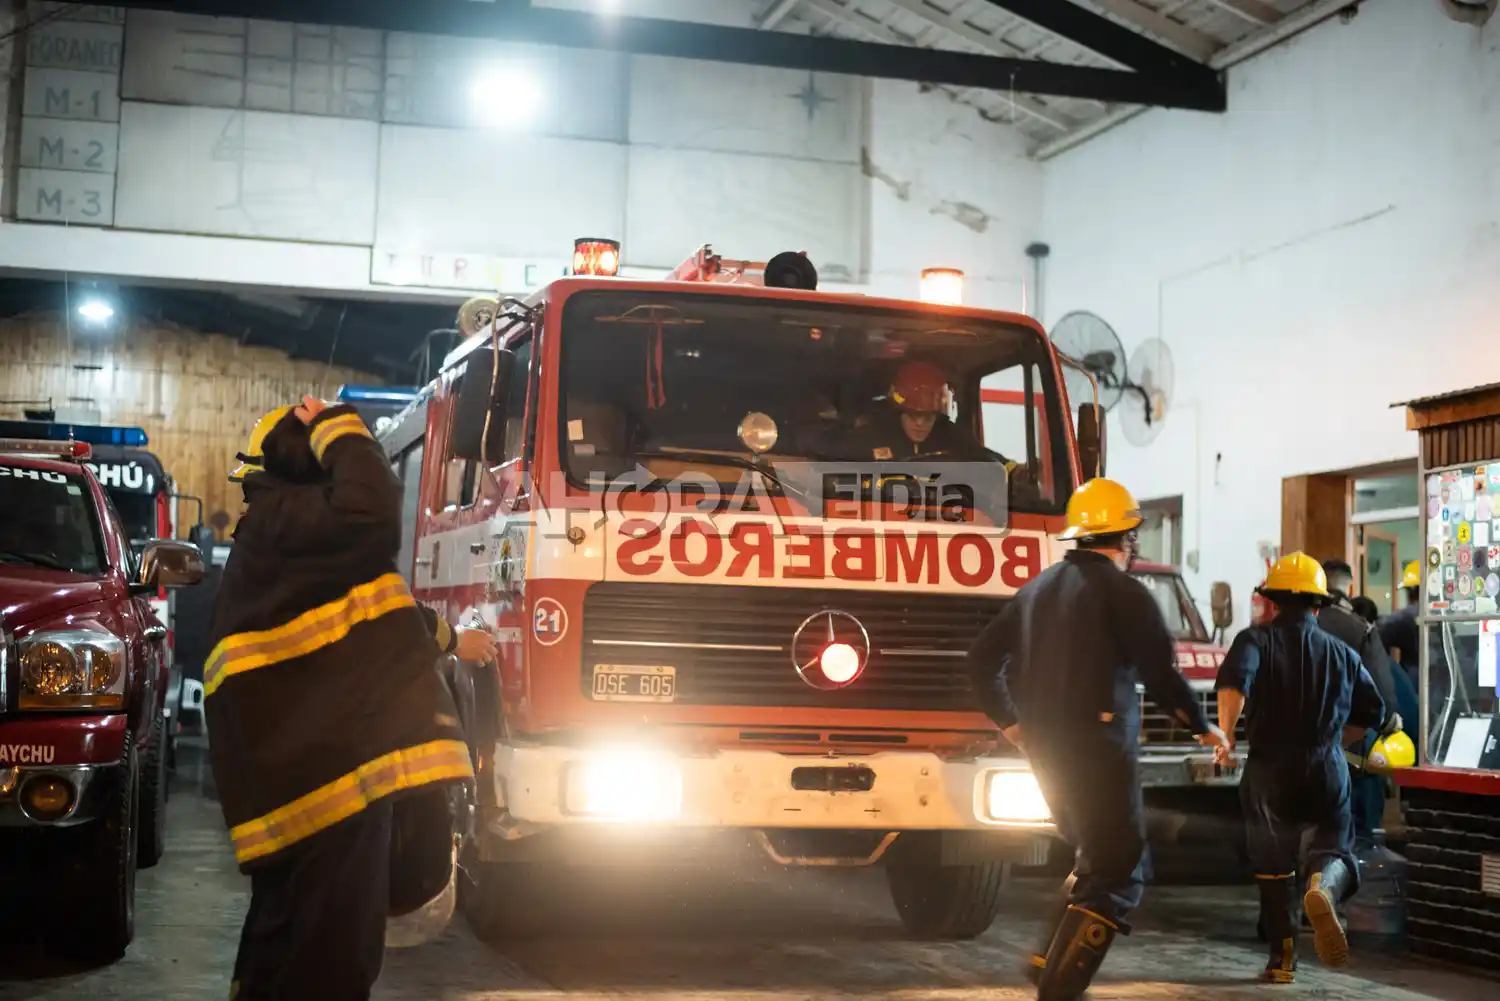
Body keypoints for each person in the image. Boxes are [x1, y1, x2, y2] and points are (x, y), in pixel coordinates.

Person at [209, 398, 495, 1001]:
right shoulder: (291, 521)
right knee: (332, 951)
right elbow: (372, 514)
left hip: (302, 776)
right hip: (330, 777)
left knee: (286, 935)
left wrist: (450, 639)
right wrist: (336, 425)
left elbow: (377, 613)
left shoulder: (283, 535)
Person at [967, 477, 1229, 1001]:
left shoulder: (1037, 589)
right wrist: (1203, 727)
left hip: (1045, 750)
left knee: (1096, 859)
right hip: (1099, 749)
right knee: (1120, 867)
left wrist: (1013, 723)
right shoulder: (1124, 591)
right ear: (1126, 538)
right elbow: (1159, 672)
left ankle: (1049, 961)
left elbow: (979, 660)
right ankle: (1059, 987)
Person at [1214, 553, 1386, 984]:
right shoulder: (1343, 653)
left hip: (1269, 769)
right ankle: (1323, 888)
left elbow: (1235, 683)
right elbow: (1373, 712)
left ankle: (1281, 959)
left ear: (1272, 601)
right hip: (1326, 766)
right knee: (1335, 848)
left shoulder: (1253, 641)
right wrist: (1333, 742)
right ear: (1317, 605)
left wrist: (1226, 736)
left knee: (1273, 866)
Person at [1316, 558, 1410, 846]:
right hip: (1351, 758)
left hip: (1293, 763)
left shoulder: (1280, 633)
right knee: (1358, 841)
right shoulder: (1359, 631)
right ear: (1349, 586)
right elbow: (1384, 701)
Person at [852, 360, 990, 460]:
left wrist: (1011, 472)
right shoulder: (872, 435)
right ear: (900, 411)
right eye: (913, 415)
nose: (920, 423)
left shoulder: (954, 439)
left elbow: (991, 461)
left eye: (929, 417)